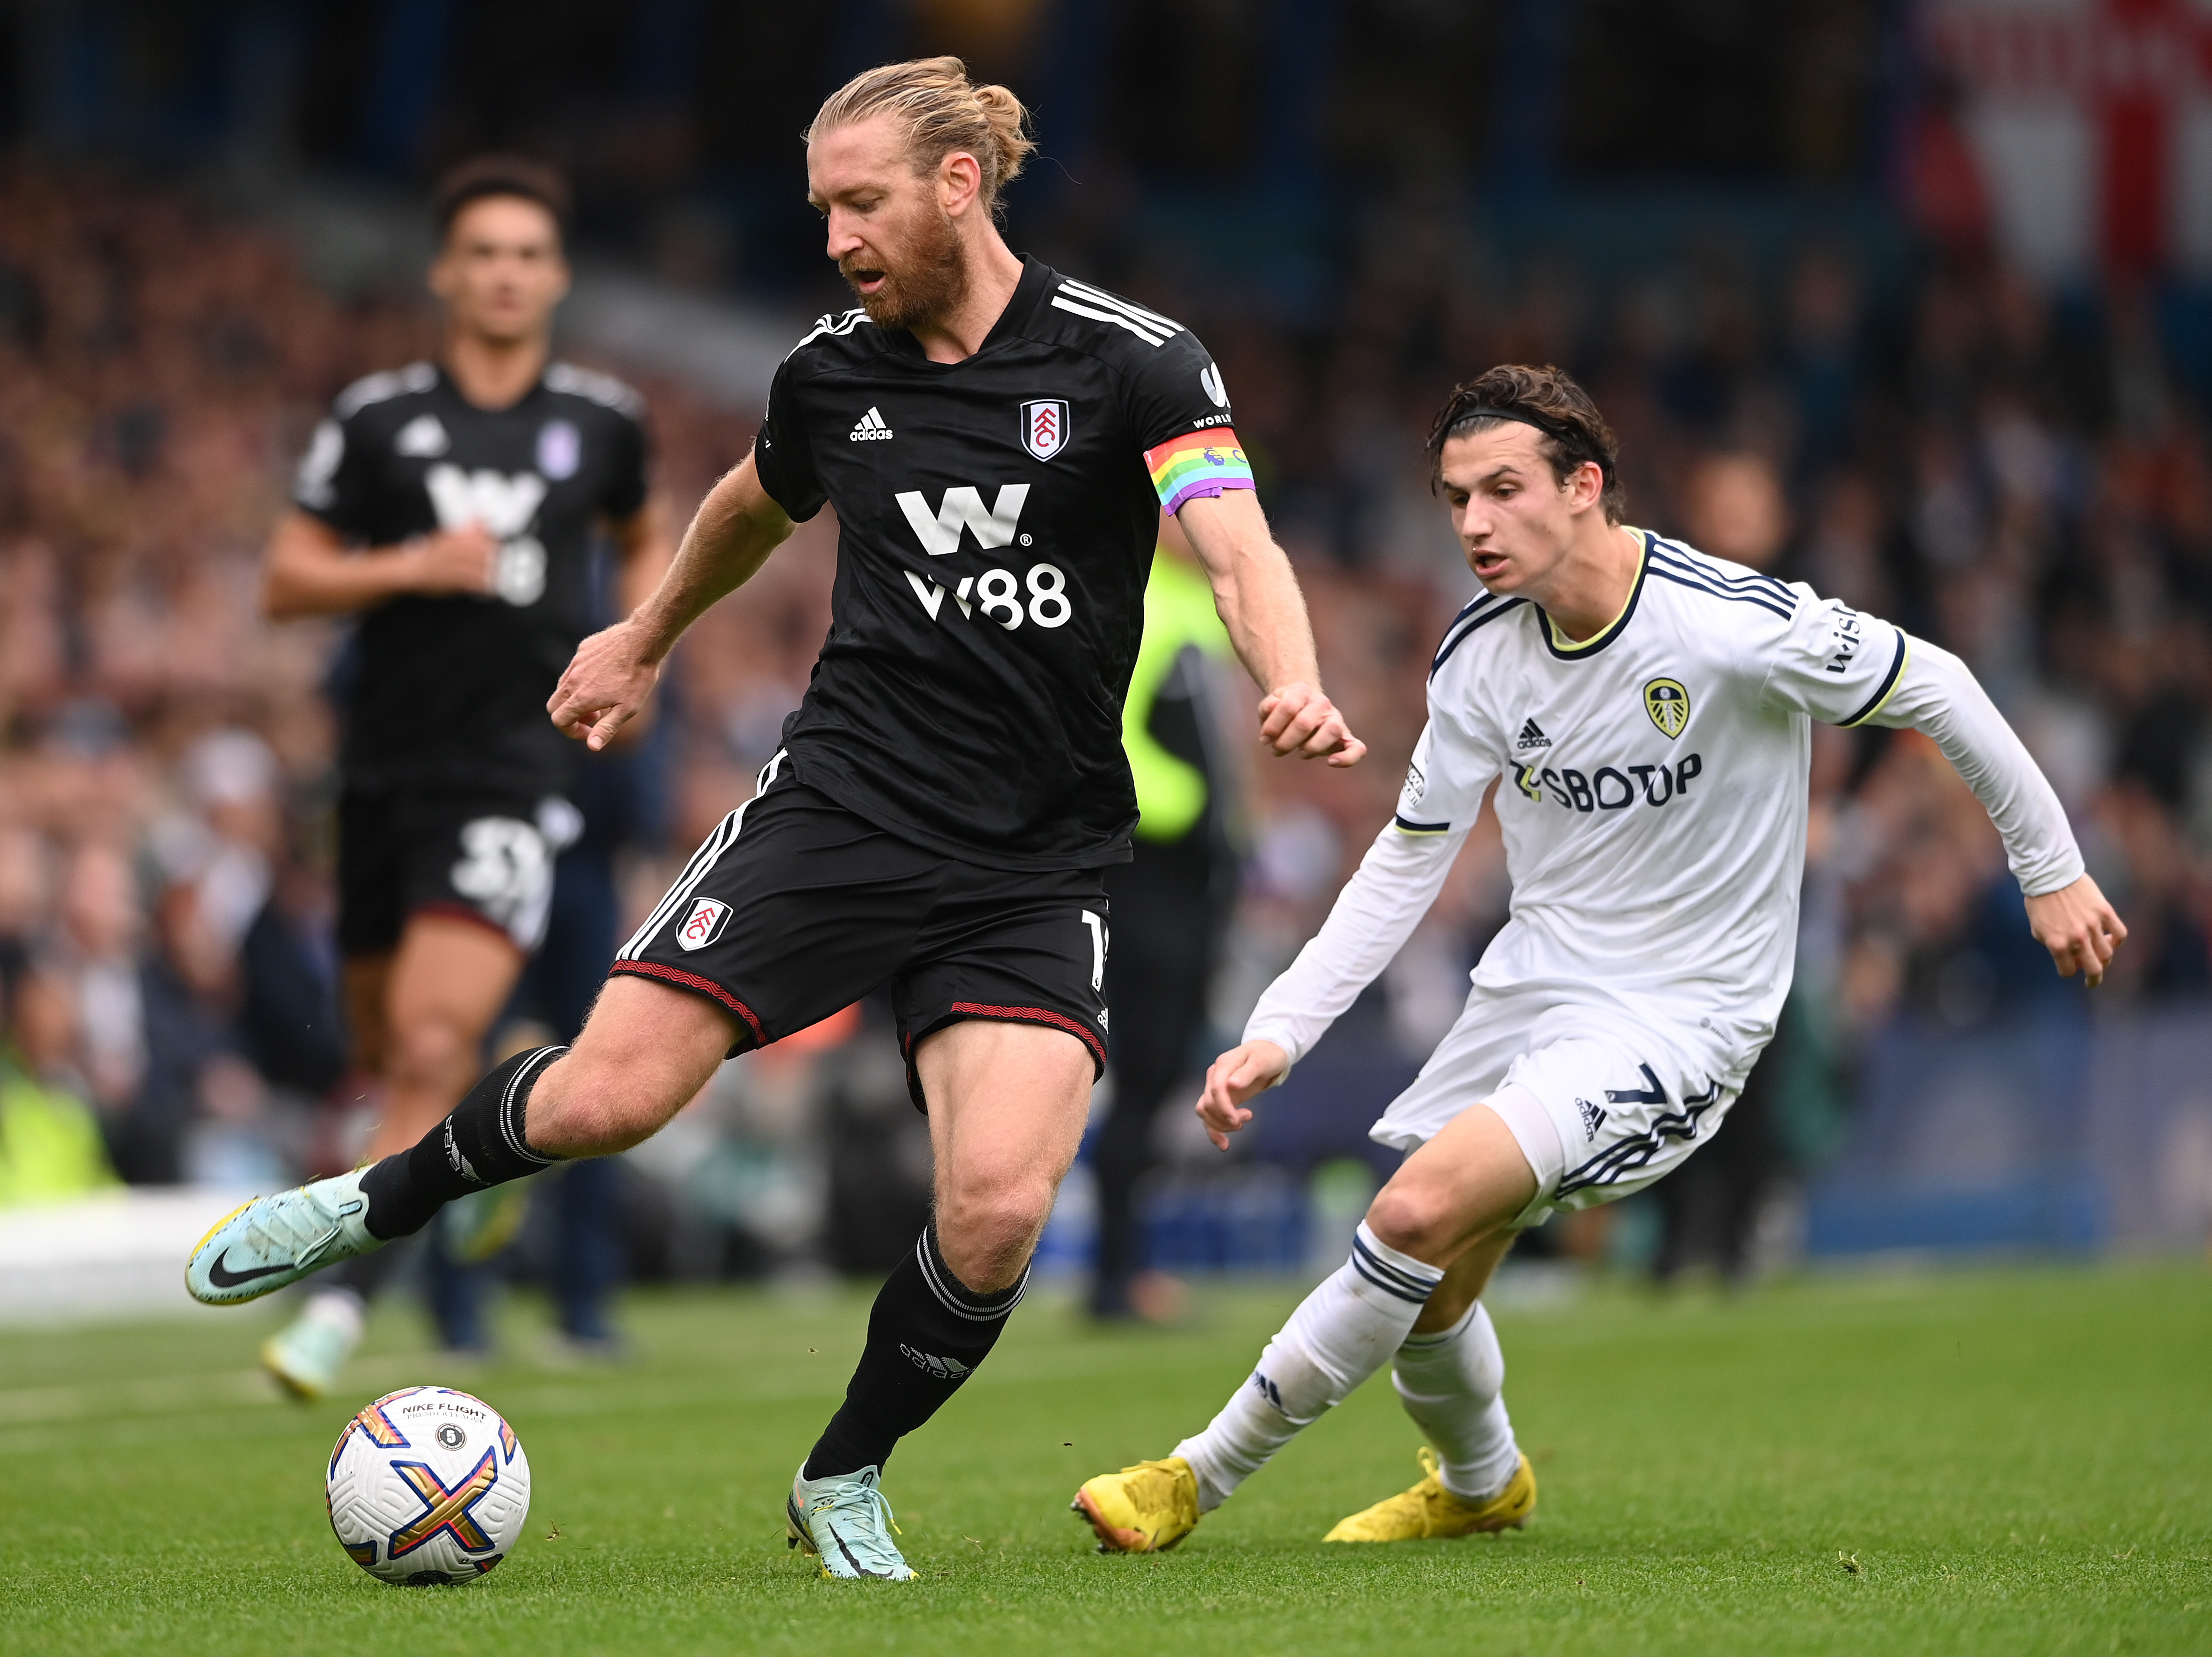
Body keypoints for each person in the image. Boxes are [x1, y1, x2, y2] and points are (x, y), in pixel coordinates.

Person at [185, 57, 1366, 1581]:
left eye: (860, 202)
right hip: (844, 806)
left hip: (1036, 852)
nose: (835, 237)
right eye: (820, 209)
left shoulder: (1132, 362)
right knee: (609, 1099)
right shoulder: (830, 373)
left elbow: (1236, 537)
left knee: (998, 1209)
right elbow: (748, 502)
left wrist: (1293, 680)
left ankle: (844, 1472)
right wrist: (643, 637)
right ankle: (373, 1202)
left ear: (957, 185)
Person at [1070, 363, 2124, 1552]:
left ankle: (1191, 1480)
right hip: (1531, 999)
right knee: (1431, 1280)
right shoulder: (1477, 657)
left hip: (1680, 1020)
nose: (1471, 523)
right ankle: (1481, 1485)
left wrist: (2051, 870)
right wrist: (1280, 1028)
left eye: (1502, 490)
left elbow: (1936, 683)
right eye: (1455, 496)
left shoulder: (1727, 623)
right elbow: (1406, 861)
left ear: (1584, 486)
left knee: (1411, 1213)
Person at [248, 155, 670, 1398]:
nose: (503, 274)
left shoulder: (603, 420)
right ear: (445, 272)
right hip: (380, 772)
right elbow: (284, 579)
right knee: (390, 1048)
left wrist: (640, 650)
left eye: (526, 254)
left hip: (514, 767)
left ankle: (337, 1310)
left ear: (557, 277)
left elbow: (646, 538)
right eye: (481, 252)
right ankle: (502, 1142)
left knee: (430, 1041)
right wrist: (409, 567)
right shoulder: (377, 416)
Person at [1090, 509, 1242, 1322]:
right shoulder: (1140, 599)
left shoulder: (1189, 604)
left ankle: (1127, 1267)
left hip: (1186, 878)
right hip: (1150, 871)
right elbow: (1117, 738)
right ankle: (1116, 1275)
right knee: (1140, 1076)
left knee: (1155, 1079)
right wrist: (1190, 814)